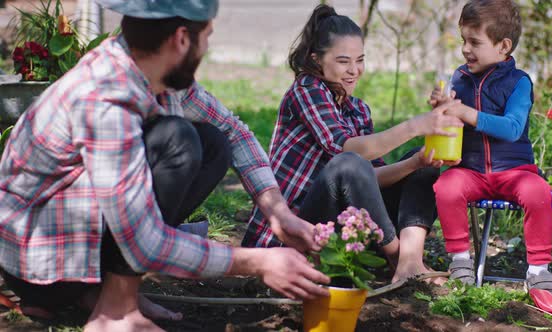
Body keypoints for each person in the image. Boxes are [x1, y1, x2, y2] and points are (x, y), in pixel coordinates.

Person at [0, 1, 331, 331]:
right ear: (182, 39)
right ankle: (114, 311)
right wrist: (259, 262)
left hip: (79, 248)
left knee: (213, 142)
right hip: (39, 267)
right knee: (177, 139)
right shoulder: (104, 96)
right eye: (208, 36)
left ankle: (108, 291)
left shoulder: (152, 71)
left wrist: (279, 214)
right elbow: (143, 239)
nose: (207, 47)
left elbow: (235, 131)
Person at [242, 4, 463, 284]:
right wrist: (415, 126)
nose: (355, 70)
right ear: (316, 60)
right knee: (349, 162)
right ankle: (396, 258)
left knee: (421, 165)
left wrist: (416, 162)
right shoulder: (307, 89)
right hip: (296, 231)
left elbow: (367, 182)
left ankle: (410, 261)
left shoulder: (358, 109)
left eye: (360, 60)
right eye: (343, 61)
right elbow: (345, 152)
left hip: (342, 227)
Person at [430, 0, 552, 295]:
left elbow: (512, 128)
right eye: (463, 40)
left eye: (475, 41)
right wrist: (442, 109)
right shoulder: (459, 79)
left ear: (503, 46)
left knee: (538, 191)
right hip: (471, 171)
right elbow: (451, 123)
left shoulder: (518, 82)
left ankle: (539, 270)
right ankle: (460, 261)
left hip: (514, 172)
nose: (465, 49)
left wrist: (467, 114)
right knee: (446, 186)